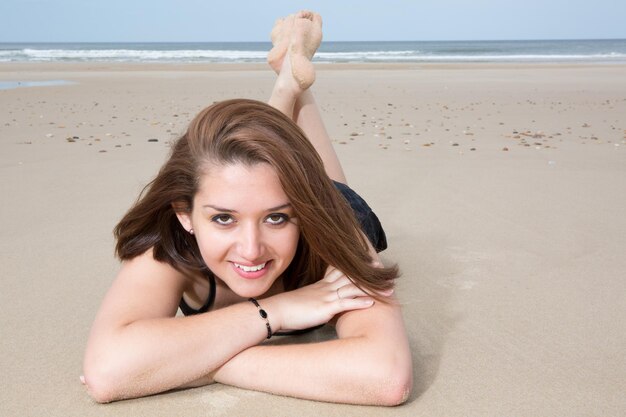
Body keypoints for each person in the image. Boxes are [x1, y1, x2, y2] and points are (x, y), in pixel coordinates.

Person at [82, 11, 412, 406]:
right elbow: (107, 372)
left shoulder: (337, 238)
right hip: (283, 191)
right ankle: (288, 78)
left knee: (313, 179)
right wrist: (278, 310)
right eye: (223, 218)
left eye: (276, 218)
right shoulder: (170, 246)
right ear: (184, 214)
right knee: (252, 163)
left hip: (329, 206)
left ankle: (293, 87)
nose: (251, 249)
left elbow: (385, 376)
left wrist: (193, 363)